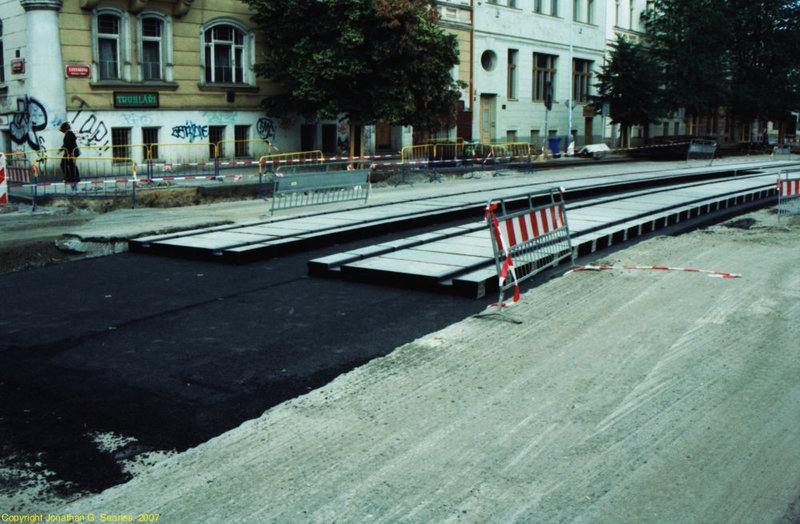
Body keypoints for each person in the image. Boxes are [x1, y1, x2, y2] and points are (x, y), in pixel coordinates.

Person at [59, 122, 80, 186]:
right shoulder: (69, 134)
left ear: (65, 129)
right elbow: (66, 144)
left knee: (69, 164)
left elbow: (67, 144)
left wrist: (61, 149)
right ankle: (72, 178)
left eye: (62, 129)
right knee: (69, 164)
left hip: (71, 152)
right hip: (69, 152)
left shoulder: (69, 134)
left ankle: (72, 178)